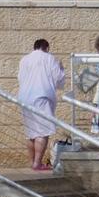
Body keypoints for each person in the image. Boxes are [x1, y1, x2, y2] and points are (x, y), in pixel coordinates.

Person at [16, 39, 65, 171]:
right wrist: (61, 68)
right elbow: (59, 80)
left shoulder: (24, 60)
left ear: (34, 47)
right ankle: (37, 163)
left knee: (31, 132)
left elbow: (20, 78)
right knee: (42, 132)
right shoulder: (50, 58)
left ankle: (32, 162)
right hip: (42, 97)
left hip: (25, 98)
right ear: (47, 48)